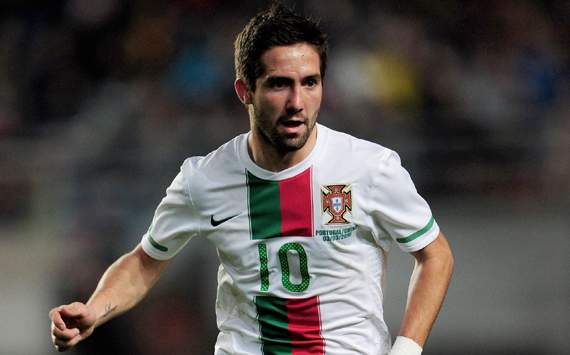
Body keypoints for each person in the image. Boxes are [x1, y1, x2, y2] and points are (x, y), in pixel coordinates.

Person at [49, 3, 454, 354]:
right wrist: (94, 309)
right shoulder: (204, 179)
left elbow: (435, 255)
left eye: (309, 83)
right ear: (245, 90)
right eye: (279, 84)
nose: (297, 102)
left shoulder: (370, 168)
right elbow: (145, 262)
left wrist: (406, 349)